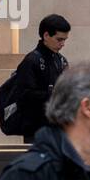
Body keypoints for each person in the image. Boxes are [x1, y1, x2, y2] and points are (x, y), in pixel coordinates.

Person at [14, 13, 71, 143]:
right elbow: (24, 95)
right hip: (36, 130)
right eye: (59, 39)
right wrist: (54, 95)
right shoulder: (31, 61)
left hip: (59, 127)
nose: (62, 44)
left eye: (64, 40)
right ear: (46, 35)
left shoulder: (61, 60)